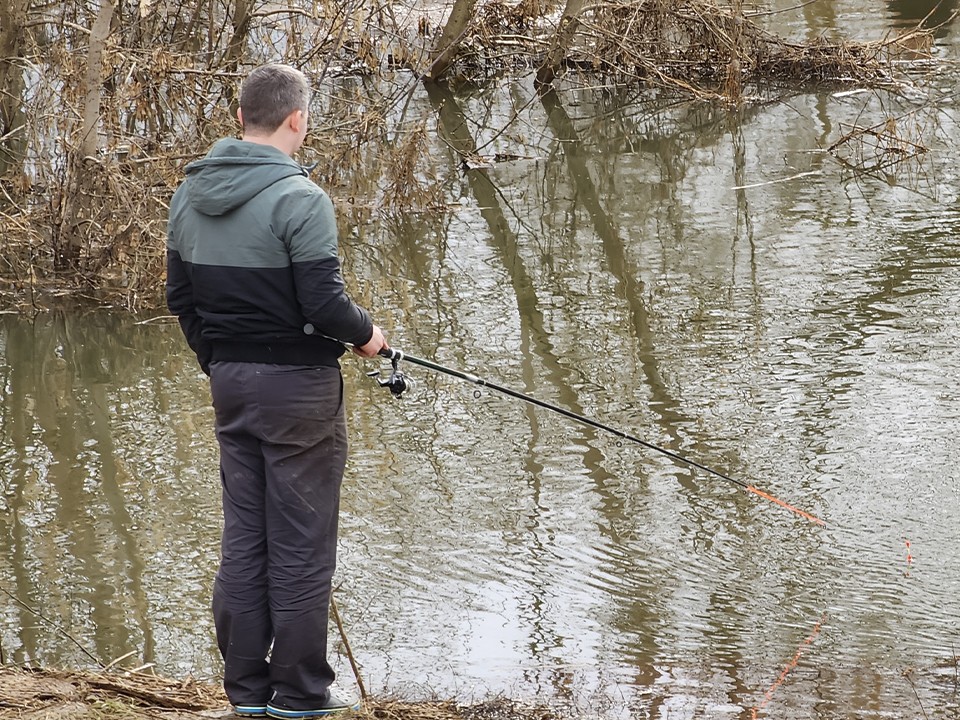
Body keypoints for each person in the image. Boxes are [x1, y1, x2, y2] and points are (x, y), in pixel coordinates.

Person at [166, 63, 386, 719]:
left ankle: (246, 697)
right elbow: (324, 303)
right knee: (300, 546)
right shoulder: (300, 199)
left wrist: (222, 362)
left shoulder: (188, 195)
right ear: (298, 120)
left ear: (240, 118)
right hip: (300, 392)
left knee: (245, 539)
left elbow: (182, 300)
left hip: (230, 384)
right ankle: (298, 698)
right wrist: (370, 337)